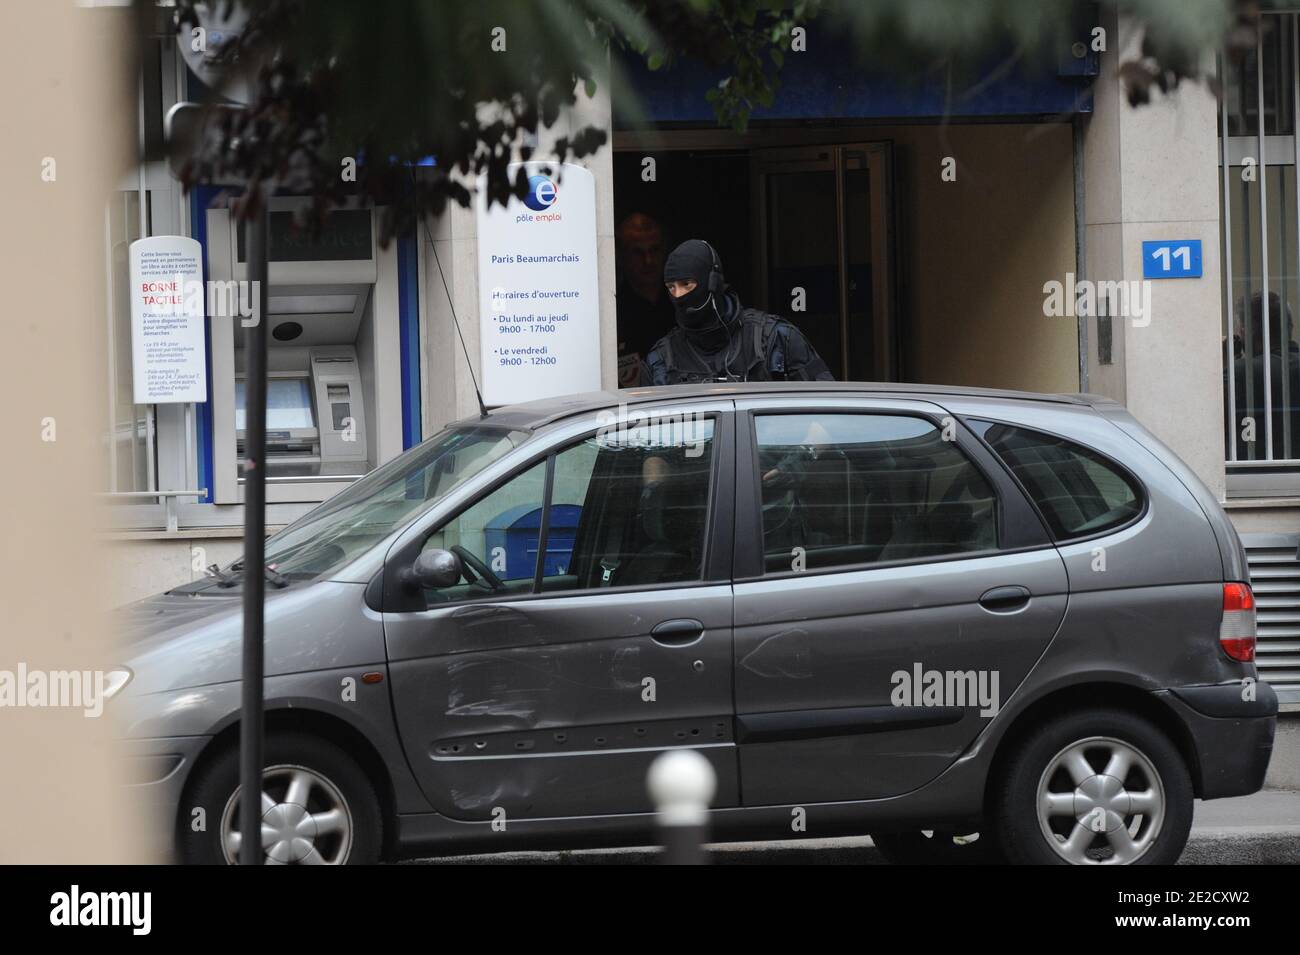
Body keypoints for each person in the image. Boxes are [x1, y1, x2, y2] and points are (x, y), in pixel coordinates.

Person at [641, 239, 834, 385]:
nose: (678, 295)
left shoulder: (776, 339)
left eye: (686, 285)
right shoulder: (661, 360)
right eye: (671, 287)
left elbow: (828, 412)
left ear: (713, 283)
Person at [614, 213, 675, 387]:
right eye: (637, 252)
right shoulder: (612, 311)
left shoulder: (681, 304)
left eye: (654, 250)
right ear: (621, 256)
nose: (648, 261)